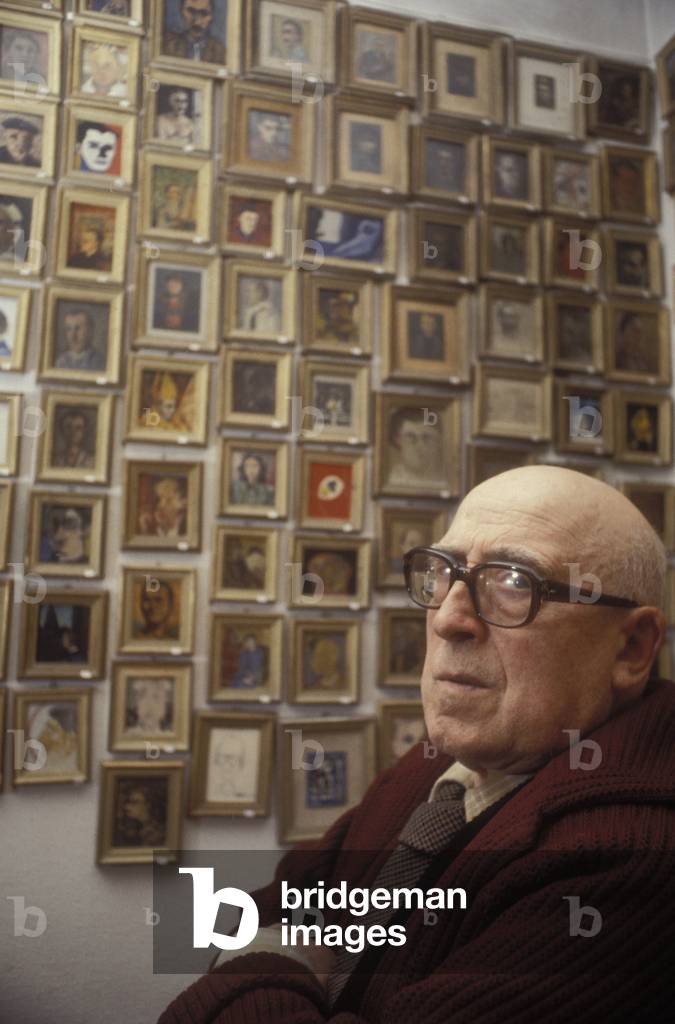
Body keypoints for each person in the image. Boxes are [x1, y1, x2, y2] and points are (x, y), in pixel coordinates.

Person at [160, 465, 675, 1023]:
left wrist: (269, 962)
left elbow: (267, 933)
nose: (449, 618)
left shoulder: (634, 858)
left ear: (632, 649)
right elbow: (277, 901)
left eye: (515, 581)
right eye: (444, 571)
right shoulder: (440, 767)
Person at [386, 405, 444, 488]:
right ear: (397, 440)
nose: (420, 446)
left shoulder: (443, 482)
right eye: (411, 437)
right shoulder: (390, 480)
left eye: (426, 438)